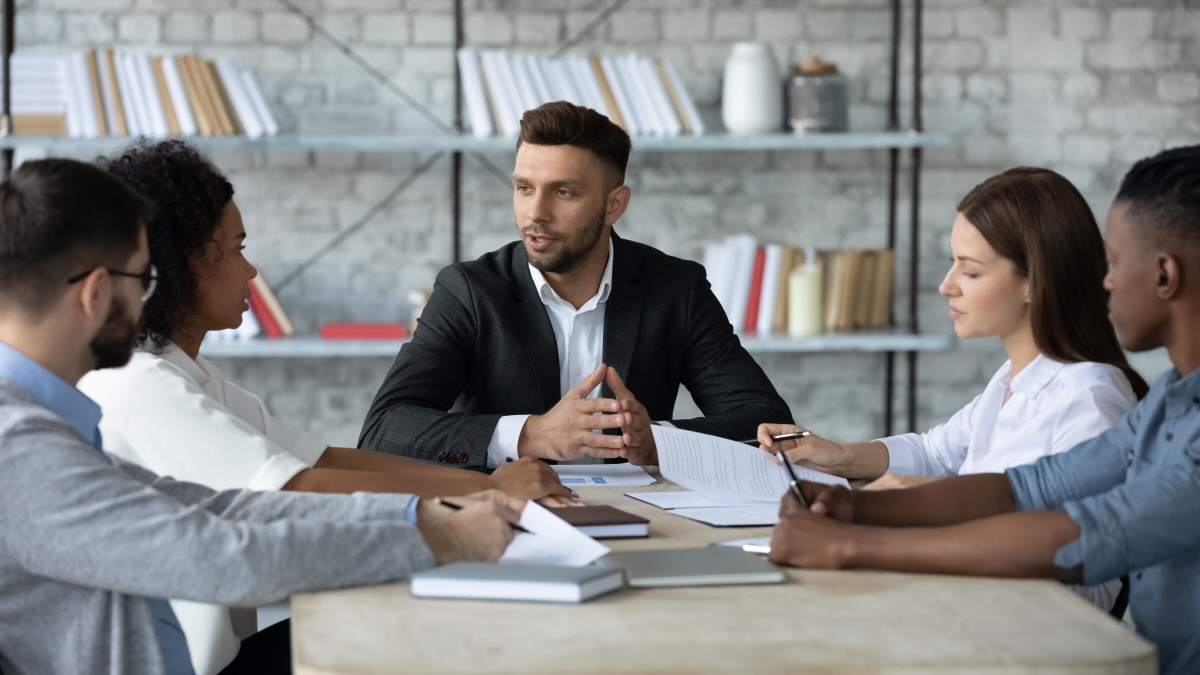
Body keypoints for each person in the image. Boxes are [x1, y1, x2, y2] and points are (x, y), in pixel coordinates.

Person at [0, 157, 523, 675]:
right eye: (142, 277)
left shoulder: (41, 424)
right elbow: (221, 555)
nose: (148, 295)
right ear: (94, 293)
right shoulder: (21, 446)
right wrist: (440, 538)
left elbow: (223, 509)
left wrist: (421, 515)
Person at [765, 146, 1200, 675]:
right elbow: (1029, 487)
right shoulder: (1171, 400)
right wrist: (855, 507)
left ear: (1164, 275)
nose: (1101, 280)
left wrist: (854, 543)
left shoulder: (1098, 395)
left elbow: (1086, 534)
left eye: (1111, 263)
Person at [360, 101, 793, 469]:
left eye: (563, 192)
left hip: (644, 521)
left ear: (613, 205)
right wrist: (531, 435)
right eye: (524, 188)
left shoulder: (676, 288)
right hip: (509, 518)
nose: (536, 213)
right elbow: (383, 430)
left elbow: (767, 421)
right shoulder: (469, 291)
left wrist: (659, 442)